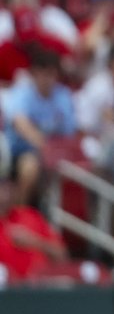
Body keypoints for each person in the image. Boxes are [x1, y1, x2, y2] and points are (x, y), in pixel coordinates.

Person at [4, 51, 77, 206]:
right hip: (20, 152)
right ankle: (18, 213)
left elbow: (69, 133)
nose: (46, 78)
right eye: (42, 73)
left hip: (54, 156)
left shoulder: (63, 96)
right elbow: (20, 123)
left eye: (50, 73)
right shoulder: (22, 93)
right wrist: (45, 146)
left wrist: (54, 153)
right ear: (34, 74)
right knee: (30, 167)